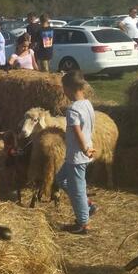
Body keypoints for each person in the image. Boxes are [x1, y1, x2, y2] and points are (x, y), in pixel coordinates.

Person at [56, 70, 97, 234]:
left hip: (78, 156)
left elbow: (78, 132)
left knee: (78, 190)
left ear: (68, 88)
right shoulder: (87, 104)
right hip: (81, 154)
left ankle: (83, 224)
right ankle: (88, 206)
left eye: (63, 88)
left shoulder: (72, 109)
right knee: (60, 179)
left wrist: (85, 149)